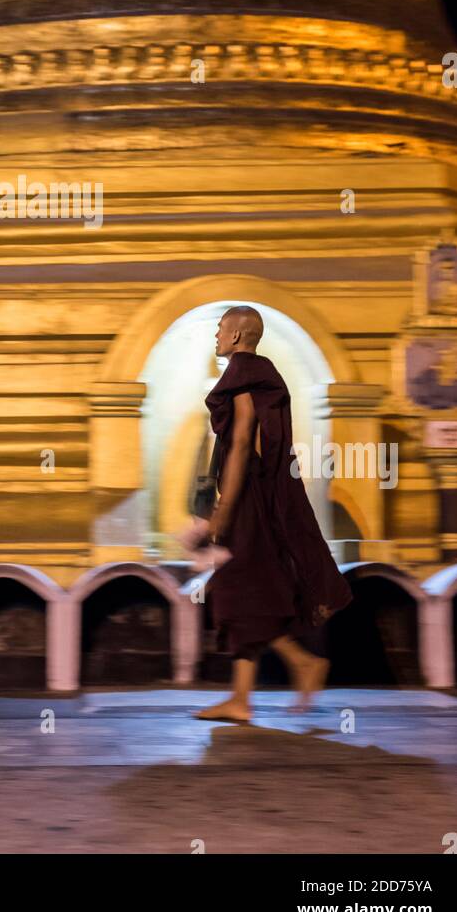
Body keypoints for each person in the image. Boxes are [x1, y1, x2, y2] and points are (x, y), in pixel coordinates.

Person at [179, 307, 352, 723]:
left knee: (239, 590)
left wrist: (224, 508)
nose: (216, 337)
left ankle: (301, 664)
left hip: (248, 502)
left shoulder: (244, 374)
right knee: (251, 591)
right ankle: (241, 698)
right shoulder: (258, 374)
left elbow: (241, 444)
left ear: (238, 336)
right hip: (258, 499)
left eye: (220, 330)